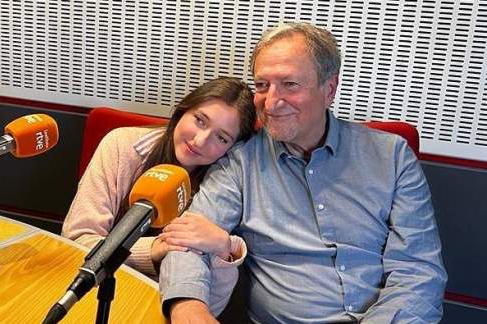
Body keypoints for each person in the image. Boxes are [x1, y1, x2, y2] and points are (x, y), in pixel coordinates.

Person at [160, 22, 447, 323]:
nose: (271, 103)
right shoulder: (239, 163)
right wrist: (187, 307)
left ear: (329, 89)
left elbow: (418, 271)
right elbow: (187, 240)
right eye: (262, 85)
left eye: (290, 84)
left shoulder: (392, 156)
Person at [62, 76, 257, 315]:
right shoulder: (120, 146)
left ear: (232, 148)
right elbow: (76, 241)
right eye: (200, 120)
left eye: (221, 138)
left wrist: (224, 249)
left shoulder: (222, 190)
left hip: (157, 309)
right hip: (91, 296)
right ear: (182, 111)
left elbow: (209, 308)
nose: (200, 140)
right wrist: (153, 250)